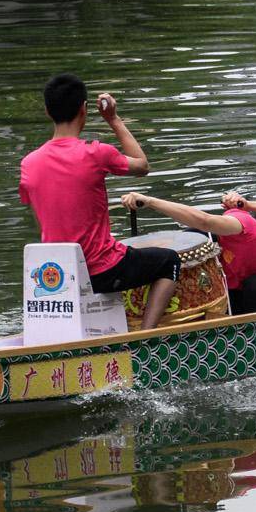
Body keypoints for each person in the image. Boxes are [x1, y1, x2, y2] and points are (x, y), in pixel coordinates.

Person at [20, 74, 176, 330]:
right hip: (102, 271)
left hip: (56, 274)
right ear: (84, 109)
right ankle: (143, 339)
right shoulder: (96, 152)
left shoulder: (28, 163)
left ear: (47, 111)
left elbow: (42, 219)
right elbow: (142, 166)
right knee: (168, 261)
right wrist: (113, 119)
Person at [115, 189, 256, 315]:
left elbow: (203, 220)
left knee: (254, 286)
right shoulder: (214, 243)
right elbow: (198, 225)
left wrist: (150, 202)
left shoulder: (243, 223)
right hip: (253, 294)